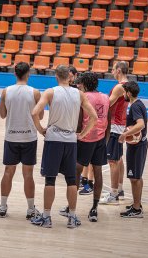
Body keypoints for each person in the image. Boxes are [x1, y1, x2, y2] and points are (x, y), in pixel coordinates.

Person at [30, 65, 97, 229]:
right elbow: (94, 117)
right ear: (70, 76)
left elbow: (34, 112)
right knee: (71, 180)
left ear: (56, 77)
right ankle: (72, 217)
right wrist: (81, 134)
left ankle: (46, 218)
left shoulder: (50, 92)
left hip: (53, 139)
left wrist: (40, 130)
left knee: (50, 180)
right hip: (71, 140)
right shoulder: (79, 94)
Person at [59, 72, 111, 223]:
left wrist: (74, 136)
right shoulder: (106, 97)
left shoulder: (83, 96)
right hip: (100, 139)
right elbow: (108, 120)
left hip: (85, 138)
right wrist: (105, 141)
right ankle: (94, 209)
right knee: (98, 172)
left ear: (85, 84)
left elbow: (80, 120)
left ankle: (71, 207)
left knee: (75, 171)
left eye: (80, 83)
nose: (78, 85)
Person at [0, 62, 42, 219]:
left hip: (11, 137)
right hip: (29, 137)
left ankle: (2, 207)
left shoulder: (6, 91)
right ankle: (30, 210)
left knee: (8, 171)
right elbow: (40, 116)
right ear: (28, 74)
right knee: (28, 174)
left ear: (14, 73)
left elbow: (2, 114)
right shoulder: (35, 92)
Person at [100, 61, 129, 205]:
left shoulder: (119, 86)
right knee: (119, 159)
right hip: (120, 124)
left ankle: (113, 194)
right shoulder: (127, 84)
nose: (112, 72)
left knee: (112, 161)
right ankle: (120, 189)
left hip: (115, 126)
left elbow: (107, 104)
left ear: (119, 70)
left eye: (113, 69)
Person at [119, 81, 148, 218]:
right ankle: (137, 203)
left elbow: (141, 124)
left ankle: (136, 209)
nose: (123, 94)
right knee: (138, 177)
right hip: (141, 144)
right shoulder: (140, 103)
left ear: (129, 93)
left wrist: (126, 134)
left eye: (124, 92)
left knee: (134, 178)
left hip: (137, 147)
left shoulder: (135, 106)